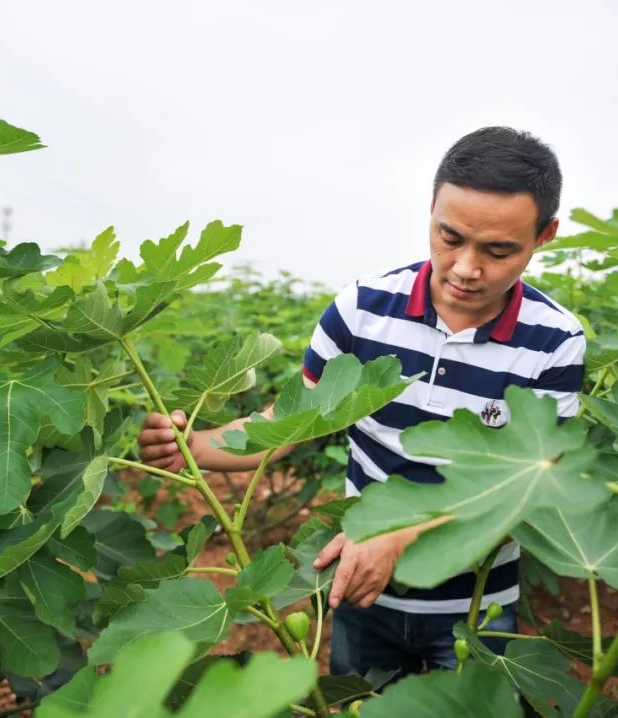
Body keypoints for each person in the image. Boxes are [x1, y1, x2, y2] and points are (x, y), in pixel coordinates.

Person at [137, 126, 585, 677]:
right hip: (356, 591)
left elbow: (530, 486)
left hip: (474, 608)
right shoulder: (361, 310)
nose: (467, 268)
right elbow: (284, 427)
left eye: (498, 250)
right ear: (431, 210)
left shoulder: (556, 341)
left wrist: (401, 532)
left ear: (545, 235)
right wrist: (189, 448)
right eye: (450, 237)